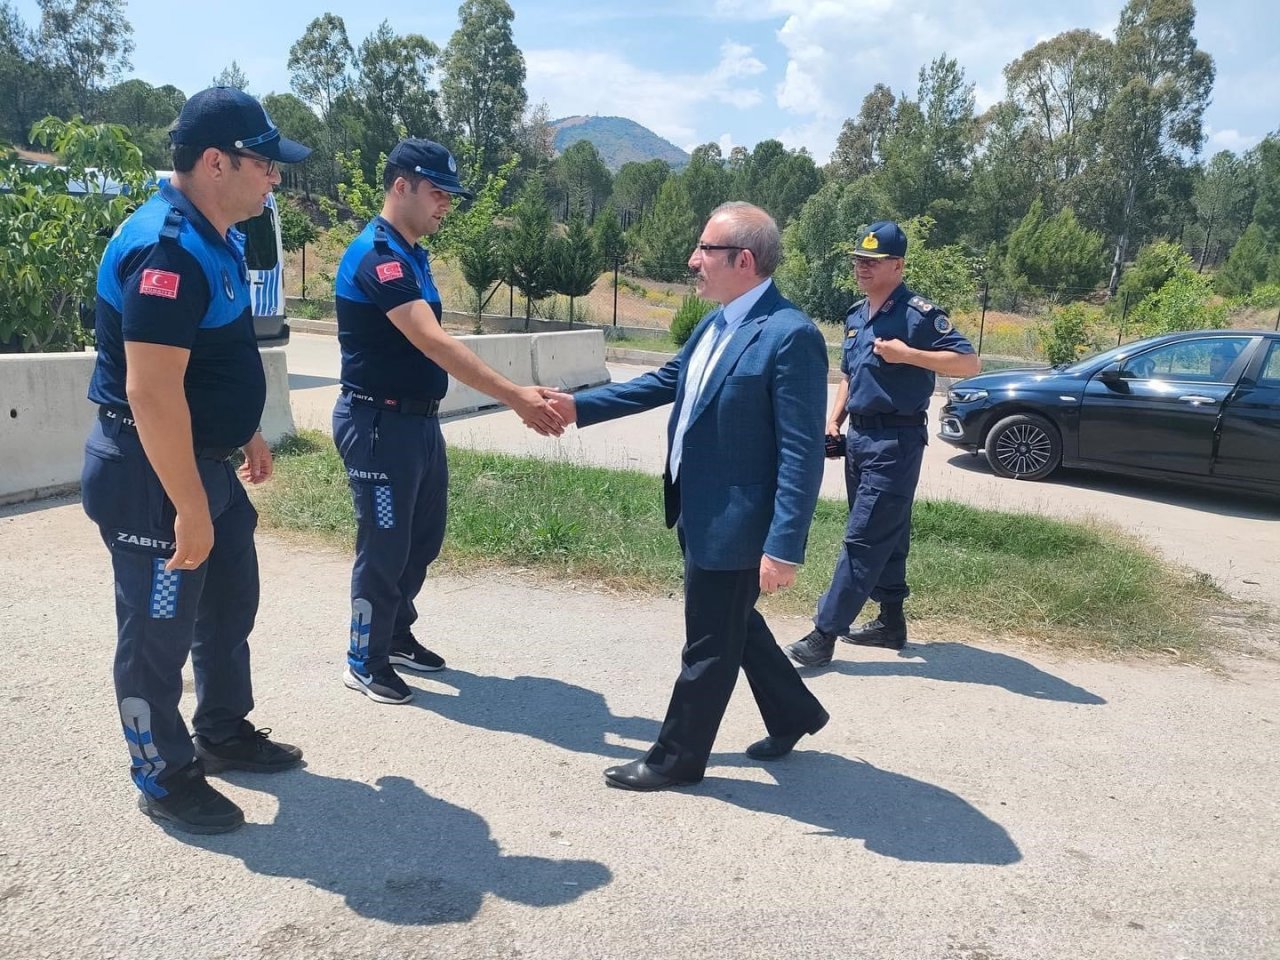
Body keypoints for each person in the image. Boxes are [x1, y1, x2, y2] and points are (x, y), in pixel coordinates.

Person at [81, 86, 312, 834]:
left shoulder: (217, 236)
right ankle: (162, 771)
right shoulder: (166, 248)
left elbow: (206, 358)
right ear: (217, 162)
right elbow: (149, 393)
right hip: (151, 472)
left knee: (227, 604)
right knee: (157, 633)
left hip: (201, 461)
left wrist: (238, 427)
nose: (275, 178)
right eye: (266, 164)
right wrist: (186, 508)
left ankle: (221, 729)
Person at [546, 202, 831, 791]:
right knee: (734, 625)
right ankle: (797, 712)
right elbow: (664, 383)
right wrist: (579, 406)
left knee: (707, 645)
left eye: (705, 250)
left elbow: (802, 453)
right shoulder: (717, 322)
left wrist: (784, 546)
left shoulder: (789, 336)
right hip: (698, 511)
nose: (692, 261)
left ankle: (676, 758)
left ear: (743, 260)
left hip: (740, 525)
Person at [333, 138, 564, 706]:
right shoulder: (377, 256)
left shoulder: (413, 253)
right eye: (437, 192)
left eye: (450, 196)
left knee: (422, 538)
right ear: (400, 186)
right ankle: (364, 658)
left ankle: (393, 635)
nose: (446, 205)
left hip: (416, 425)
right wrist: (513, 395)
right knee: (384, 546)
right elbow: (431, 341)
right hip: (377, 424)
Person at [786, 221, 980, 668]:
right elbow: (851, 375)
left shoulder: (919, 314)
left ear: (898, 264)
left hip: (897, 439)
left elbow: (969, 362)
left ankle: (824, 633)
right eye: (858, 260)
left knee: (864, 536)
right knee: (886, 534)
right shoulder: (856, 315)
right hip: (860, 438)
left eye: (872, 262)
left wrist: (909, 354)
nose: (862, 268)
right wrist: (834, 420)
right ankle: (891, 621)